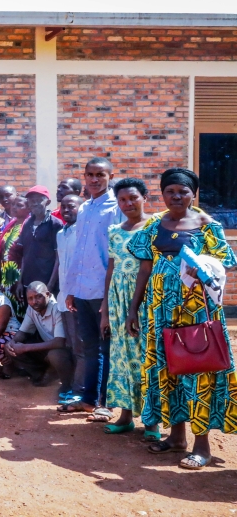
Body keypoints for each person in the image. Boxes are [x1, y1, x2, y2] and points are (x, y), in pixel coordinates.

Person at [127, 168, 235, 470]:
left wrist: (201, 267)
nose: (176, 196)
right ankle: (176, 438)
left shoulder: (206, 224)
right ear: (162, 194)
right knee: (169, 368)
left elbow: (228, 261)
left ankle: (203, 446)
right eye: (170, 191)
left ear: (193, 194)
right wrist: (133, 309)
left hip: (196, 310)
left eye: (183, 191)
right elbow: (145, 269)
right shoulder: (153, 225)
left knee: (197, 369)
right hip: (160, 310)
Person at [62, 157, 122, 418]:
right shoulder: (85, 208)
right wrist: (72, 288)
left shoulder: (116, 207)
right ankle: (88, 399)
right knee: (89, 346)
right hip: (83, 289)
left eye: (101, 175)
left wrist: (111, 294)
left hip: (104, 290)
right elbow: (80, 253)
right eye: (90, 174)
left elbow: (116, 253)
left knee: (107, 347)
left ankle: (106, 403)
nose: (94, 179)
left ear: (110, 176)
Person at [99, 178, 158, 438]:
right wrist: (105, 308)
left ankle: (152, 422)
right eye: (122, 199)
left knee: (147, 357)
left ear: (145, 197)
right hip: (117, 300)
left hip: (145, 299)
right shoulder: (114, 230)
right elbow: (110, 269)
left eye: (133, 198)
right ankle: (125, 416)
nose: (128, 204)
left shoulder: (156, 226)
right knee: (121, 357)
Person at [3, 282, 73, 396]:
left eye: (38, 296)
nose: (34, 301)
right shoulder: (32, 309)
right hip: (46, 347)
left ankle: (66, 384)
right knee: (12, 347)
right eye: (30, 298)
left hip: (63, 351)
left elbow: (60, 342)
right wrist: (11, 342)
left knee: (55, 355)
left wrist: (25, 348)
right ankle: (40, 375)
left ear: (48, 294)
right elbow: (23, 332)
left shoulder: (57, 309)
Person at [53, 194, 85, 405]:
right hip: (63, 297)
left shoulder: (84, 233)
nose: (66, 209)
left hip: (81, 297)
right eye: (63, 206)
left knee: (82, 346)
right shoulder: (61, 234)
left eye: (71, 206)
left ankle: (80, 390)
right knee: (72, 345)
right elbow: (60, 264)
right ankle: (74, 386)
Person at [13, 186, 63, 298]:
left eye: (39, 200)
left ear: (48, 202)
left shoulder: (55, 224)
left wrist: (50, 284)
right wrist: (20, 282)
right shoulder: (27, 224)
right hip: (28, 283)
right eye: (31, 201)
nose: (34, 204)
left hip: (46, 283)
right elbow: (24, 255)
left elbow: (58, 257)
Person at [0, 195, 30, 322]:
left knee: (20, 309)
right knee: (6, 310)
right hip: (6, 277)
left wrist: (20, 282)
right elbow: (2, 252)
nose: (14, 208)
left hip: (18, 276)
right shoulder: (11, 225)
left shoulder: (28, 226)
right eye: (14, 204)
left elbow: (26, 256)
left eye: (19, 205)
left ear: (29, 208)